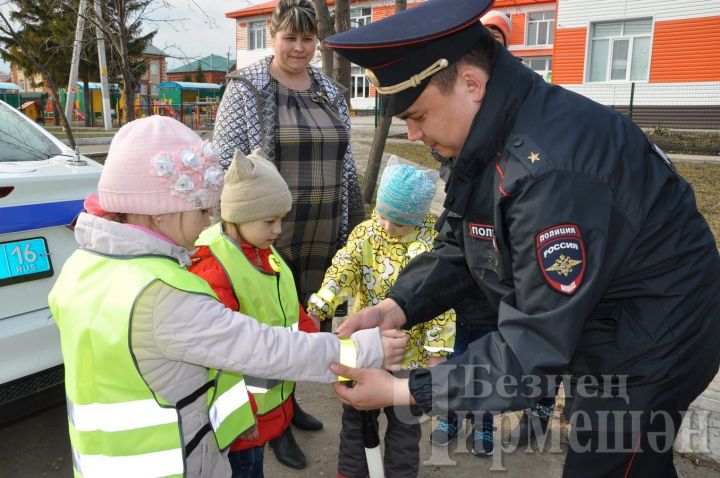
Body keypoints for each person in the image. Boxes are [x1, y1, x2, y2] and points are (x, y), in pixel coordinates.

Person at [324, 0, 720, 476]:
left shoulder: (550, 173)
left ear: (471, 84)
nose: (413, 133)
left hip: (657, 332)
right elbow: (464, 244)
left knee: (612, 461)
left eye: (419, 115)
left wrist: (401, 391)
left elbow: (531, 345)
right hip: (604, 317)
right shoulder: (487, 132)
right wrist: (397, 306)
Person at [47, 115, 407, 478]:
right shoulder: (163, 295)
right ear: (159, 213)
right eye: (203, 209)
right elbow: (262, 348)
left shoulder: (81, 268)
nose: (208, 222)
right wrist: (361, 350)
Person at [212, 0, 366, 465]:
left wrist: (356, 220)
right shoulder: (247, 89)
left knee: (306, 320)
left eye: (307, 39)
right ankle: (269, 423)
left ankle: (290, 401)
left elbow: (346, 161)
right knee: (268, 326)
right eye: (289, 37)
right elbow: (225, 160)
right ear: (273, 35)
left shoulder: (330, 91)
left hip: (324, 228)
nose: (298, 48)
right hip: (268, 234)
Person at [427, 8, 554, 455]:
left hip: (515, 275)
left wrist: (410, 391)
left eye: (499, 40)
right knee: (472, 345)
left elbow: (547, 316)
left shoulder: (530, 133)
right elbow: (459, 228)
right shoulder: (466, 135)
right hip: (479, 269)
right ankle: (461, 414)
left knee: (518, 341)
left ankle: (532, 410)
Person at [307, 157, 455, 477]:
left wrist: (437, 352)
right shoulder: (366, 234)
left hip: (409, 359)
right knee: (356, 422)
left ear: (416, 218)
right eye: (383, 216)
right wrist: (324, 301)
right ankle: (352, 472)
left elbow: (440, 302)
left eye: (399, 223)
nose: (387, 227)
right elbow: (343, 268)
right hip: (364, 351)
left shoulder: (430, 247)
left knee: (404, 432)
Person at [188, 149, 321, 477]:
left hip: (267, 402)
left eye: (281, 220)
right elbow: (218, 353)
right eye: (269, 221)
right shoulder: (214, 267)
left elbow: (292, 311)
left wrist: (325, 352)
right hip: (243, 416)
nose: (278, 230)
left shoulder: (264, 251)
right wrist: (239, 414)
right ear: (237, 216)